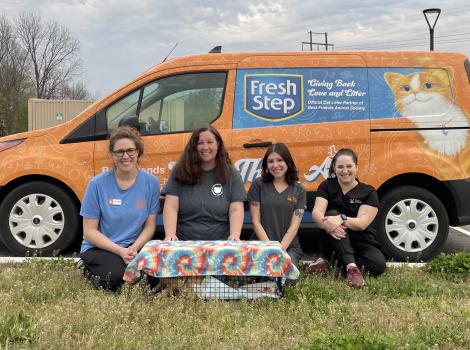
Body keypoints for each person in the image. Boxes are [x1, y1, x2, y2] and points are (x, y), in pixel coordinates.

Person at [79, 126, 160, 291]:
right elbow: (89, 232)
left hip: (134, 246)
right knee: (119, 278)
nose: (125, 156)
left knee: (155, 278)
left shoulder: (151, 183)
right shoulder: (97, 184)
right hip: (102, 247)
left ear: (138, 152)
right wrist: (119, 250)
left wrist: (135, 248)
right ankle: (85, 267)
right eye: (119, 152)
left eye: (130, 150)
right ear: (112, 155)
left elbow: (150, 225)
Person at [309, 148, 386, 288]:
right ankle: (351, 268)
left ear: (356, 167)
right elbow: (317, 213)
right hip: (333, 239)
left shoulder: (368, 192)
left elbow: (362, 223)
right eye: (340, 167)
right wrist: (329, 225)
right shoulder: (327, 186)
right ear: (334, 168)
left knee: (378, 266)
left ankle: (329, 266)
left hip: (361, 241)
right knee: (331, 214)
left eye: (349, 166)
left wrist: (341, 219)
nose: (345, 171)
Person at [163, 125, 246, 241]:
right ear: (193, 147)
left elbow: (236, 209)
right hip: (184, 242)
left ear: (218, 144)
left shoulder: (232, 174)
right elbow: (171, 206)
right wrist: (170, 234)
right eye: (200, 143)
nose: (205, 147)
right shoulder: (179, 171)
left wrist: (235, 235)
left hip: (220, 243)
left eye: (210, 142)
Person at [247, 143, 305, 269]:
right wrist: (270, 248)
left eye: (280, 160)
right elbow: (255, 222)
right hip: (262, 244)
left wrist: (280, 250)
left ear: (288, 162)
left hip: (289, 246)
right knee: (260, 276)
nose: (275, 165)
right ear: (266, 165)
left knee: (287, 276)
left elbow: (294, 227)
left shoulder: (299, 189)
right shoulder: (258, 185)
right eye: (270, 161)